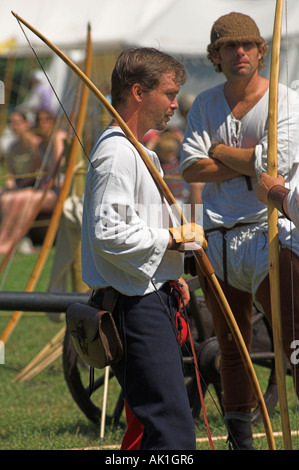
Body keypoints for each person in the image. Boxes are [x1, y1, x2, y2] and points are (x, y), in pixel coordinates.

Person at [180, 12, 299, 450]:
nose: (240, 52)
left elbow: (274, 165)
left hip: (274, 235)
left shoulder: (285, 102)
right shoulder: (206, 103)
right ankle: (241, 441)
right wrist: (243, 160)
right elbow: (189, 165)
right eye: (229, 46)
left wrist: (217, 150)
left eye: (248, 45)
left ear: (261, 50)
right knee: (231, 346)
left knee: (294, 340)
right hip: (219, 238)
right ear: (216, 55)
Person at [81, 47, 206, 450]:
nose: (174, 104)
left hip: (148, 295)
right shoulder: (117, 152)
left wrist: (172, 271)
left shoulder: (138, 150)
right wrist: (172, 239)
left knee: (155, 430)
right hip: (134, 307)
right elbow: (109, 233)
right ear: (138, 91)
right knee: (171, 434)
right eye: (169, 94)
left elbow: (136, 224)